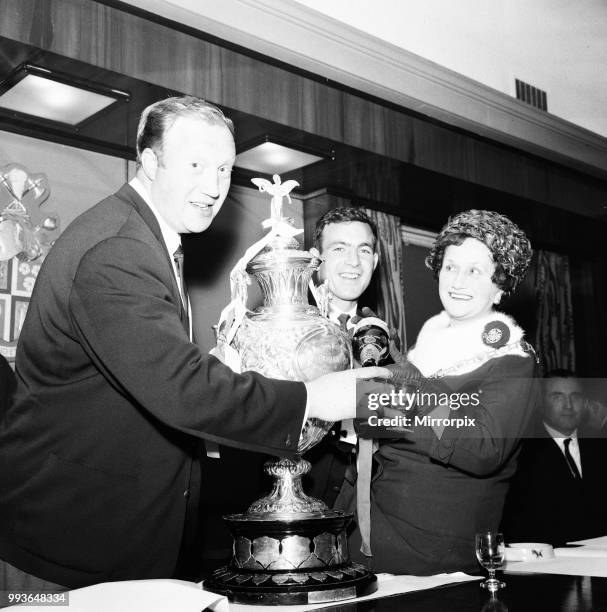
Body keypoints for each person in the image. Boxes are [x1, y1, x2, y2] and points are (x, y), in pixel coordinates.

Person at [0, 96, 387, 592]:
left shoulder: (144, 236)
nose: (213, 187)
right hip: (64, 552)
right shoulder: (117, 248)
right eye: (196, 165)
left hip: (107, 538)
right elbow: (181, 389)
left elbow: (145, 374)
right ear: (151, 160)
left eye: (224, 169)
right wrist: (316, 397)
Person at [339, 209, 539, 575]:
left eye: (475, 271)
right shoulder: (426, 345)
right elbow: (382, 430)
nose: (458, 281)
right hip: (367, 528)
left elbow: (483, 447)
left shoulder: (512, 359)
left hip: (432, 554)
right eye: (450, 267)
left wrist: (409, 385)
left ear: (501, 285)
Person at [305, 207, 380, 506]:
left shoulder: (387, 340)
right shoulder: (286, 331)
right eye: (339, 249)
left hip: (360, 516)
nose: (353, 262)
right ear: (316, 259)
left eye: (364, 250)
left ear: (374, 261)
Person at [502, 370, 607, 546]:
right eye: (557, 397)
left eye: (575, 396)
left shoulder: (600, 446)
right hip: (546, 563)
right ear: (541, 403)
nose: (568, 405)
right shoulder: (519, 452)